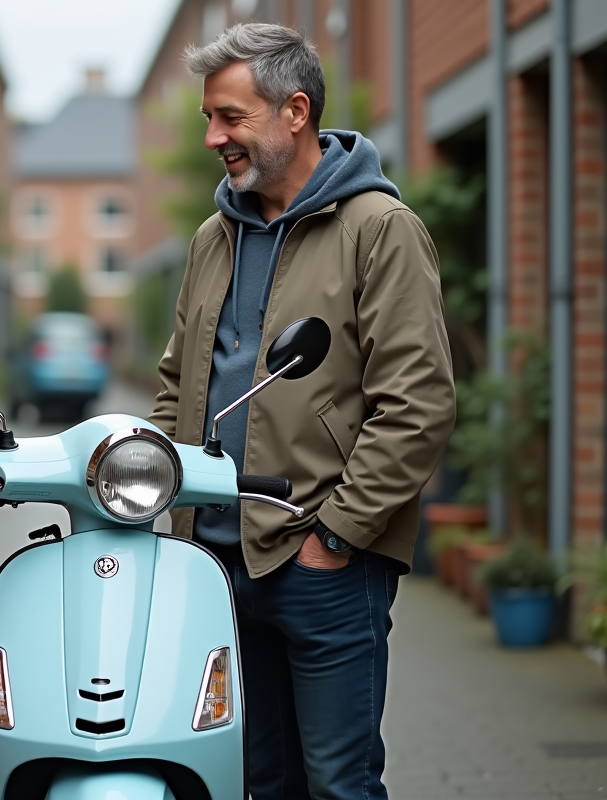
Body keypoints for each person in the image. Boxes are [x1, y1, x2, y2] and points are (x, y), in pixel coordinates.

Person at [148, 24, 455, 800]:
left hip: (322, 566)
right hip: (215, 564)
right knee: (256, 781)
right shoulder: (211, 238)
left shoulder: (381, 230)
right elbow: (176, 383)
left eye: (231, 117)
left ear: (295, 111)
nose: (214, 136)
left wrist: (338, 534)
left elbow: (417, 403)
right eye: (208, 118)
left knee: (339, 785)